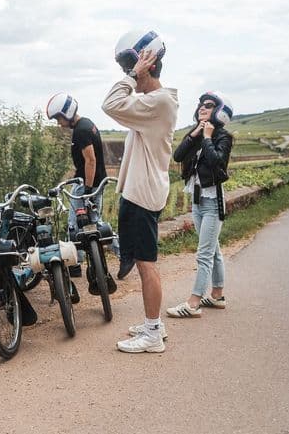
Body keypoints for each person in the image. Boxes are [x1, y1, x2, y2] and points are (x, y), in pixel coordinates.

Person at [102, 29, 178, 354]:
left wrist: (135, 76)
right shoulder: (151, 103)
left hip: (143, 196)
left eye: (127, 67)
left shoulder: (158, 102)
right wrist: (137, 77)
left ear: (147, 63)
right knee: (143, 262)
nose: (125, 74)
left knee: (147, 264)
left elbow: (110, 103)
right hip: (142, 192)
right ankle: (153, 324)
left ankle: (152, 334)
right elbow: (120, 106)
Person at [166, 91, 234, 318]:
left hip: (213, 203)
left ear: (219, 111)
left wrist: (207, 137)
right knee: (213, 250)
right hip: (197, 201)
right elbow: (177, 156)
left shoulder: (223, 136)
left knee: (204, 254)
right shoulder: (196, 134)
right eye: (200, 105)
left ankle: (193, 303)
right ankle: (217, 295)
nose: (202, 108)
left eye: (208, 105)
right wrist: (196, 133)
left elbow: (216, 162)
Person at [46, 93, 115, 295]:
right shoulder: (87, 124)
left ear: (66, 113)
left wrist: (86, 189)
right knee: (95, 223)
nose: (59, 124)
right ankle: (112, 259)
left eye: (58, 118)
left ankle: (75, 264)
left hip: (88, 184)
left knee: (73, 224)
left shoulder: (81, 131)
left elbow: (90, 161)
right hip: (94, 182)